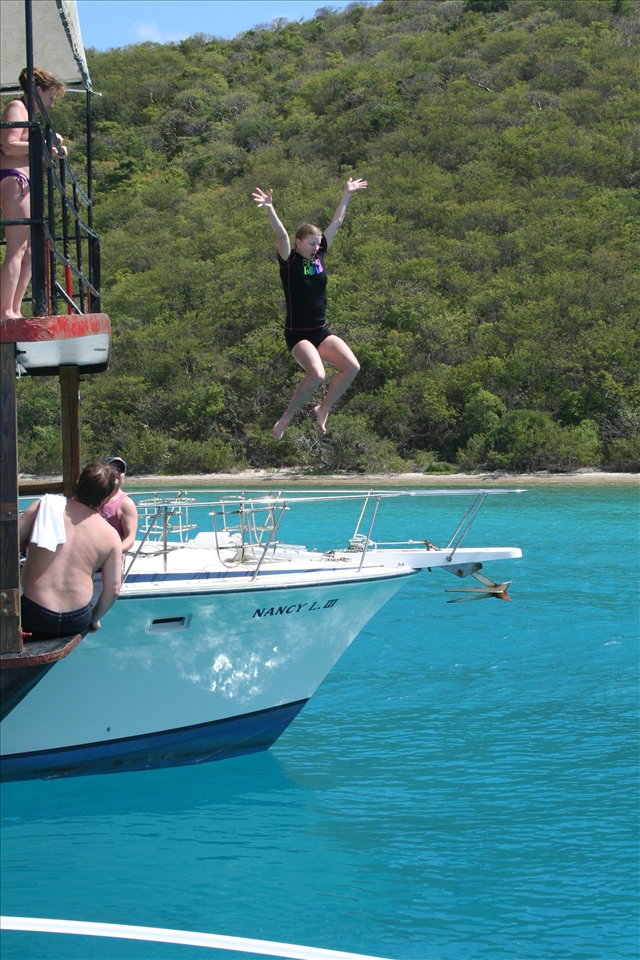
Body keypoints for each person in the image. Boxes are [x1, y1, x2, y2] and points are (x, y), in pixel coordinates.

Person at [252, 177, 367, 439]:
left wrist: (347, 193)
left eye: (318, 244)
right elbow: (280, 235)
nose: (317, 248)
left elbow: (336, 222)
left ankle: (323, 408)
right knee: (317, 375)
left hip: (321, 331)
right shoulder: (289, 261)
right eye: (312, 244)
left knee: (352, 367)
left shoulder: (319, 257)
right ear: (299, 242)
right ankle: (285, 419)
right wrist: (270, 208)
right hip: (298, 334)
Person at [18, 462, 122, 641]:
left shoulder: (44, 507)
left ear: (77, 483)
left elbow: (7, 546)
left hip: (34, 616)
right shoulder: (111, 536)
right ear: (105, 499)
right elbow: (113, 589)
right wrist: (94, 619)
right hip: (76, 620)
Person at [1, 67, 67, 321]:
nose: (50, 104)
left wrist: (51, 144)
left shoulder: (27, 112)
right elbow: (8, 145)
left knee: (29, 251)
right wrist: (42, 144)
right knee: (17, 248)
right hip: (12, 179)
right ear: (37, 90)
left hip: (21, 180)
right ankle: (6, 310)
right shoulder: (17, 108)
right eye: (49, 98)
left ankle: (14, 309)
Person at [100, 456, 139, 553]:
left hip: (111, 562)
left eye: (120, 469)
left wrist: (113, 553)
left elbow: (130, 538)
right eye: (112, 468)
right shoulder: (94, 497)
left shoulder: (126, 504)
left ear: (124, 477)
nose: (116, 471)